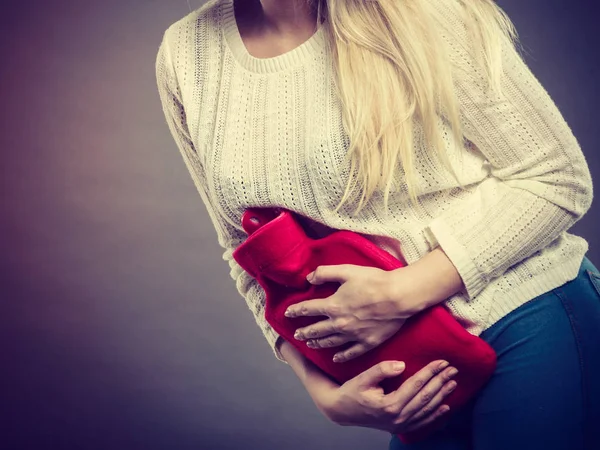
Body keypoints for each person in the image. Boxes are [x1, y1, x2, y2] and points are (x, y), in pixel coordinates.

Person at [155, 0, 599, 448]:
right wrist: (323, 391)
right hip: (409, 366)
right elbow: (244, 251)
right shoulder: (187, 51)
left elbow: (556, 177)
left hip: (523, 312)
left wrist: (399, 294)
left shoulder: (421, 12)